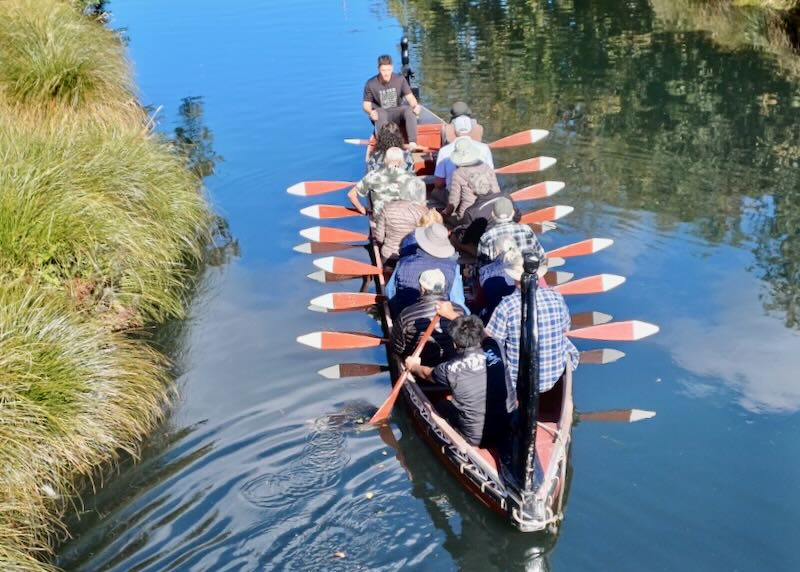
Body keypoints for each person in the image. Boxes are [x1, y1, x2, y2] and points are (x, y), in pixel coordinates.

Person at [404, 315, 511, 447]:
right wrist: (450, 313)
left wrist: (413, 366)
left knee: (442, 405)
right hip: (510, 426)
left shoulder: (449, 369)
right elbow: (486, 334)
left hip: (477, 438)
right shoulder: (496, 348)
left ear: (455, 344)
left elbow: (426, 374)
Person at [483, 251, 579, 393]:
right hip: (554, 377)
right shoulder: (556, 296)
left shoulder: (506, 305)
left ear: (513, 276)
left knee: (488, 346)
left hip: (517, 380)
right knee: (566, 342)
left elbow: (492, 341)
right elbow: (566, 327)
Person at [385, 223, 466, 316]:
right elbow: (458, 300)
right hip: (439, 317)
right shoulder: (453, 267)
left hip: (404, 317)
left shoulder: (404, 262)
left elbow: (389, 292)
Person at [390, 269, 466, 366]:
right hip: (450, 366)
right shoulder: (459, 311)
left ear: (423, 289)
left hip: (419, 367)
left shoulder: (406, 314)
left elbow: (397, 348)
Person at [362, 54, 421, 148]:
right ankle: (385, 146)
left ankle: (412, 143)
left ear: (392, 68)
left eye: (389, 70)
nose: (386, 73)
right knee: (380, 112)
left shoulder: (399, 79)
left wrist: (416, 106)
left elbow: (410, 98)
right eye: (383, 70)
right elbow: (366, 105)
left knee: (409, 110)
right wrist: (370, 112)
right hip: (381, 114)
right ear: (378, 69)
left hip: (396, 111)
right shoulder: (371, 83)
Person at [443, 137, 501, 220]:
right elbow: (496, 191)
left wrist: (446, 213)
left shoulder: (457, 173)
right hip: (489, 211)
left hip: (467, 214)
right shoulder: (486, 167)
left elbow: (454, 201)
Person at [476, 197, 544, 267]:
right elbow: (541, 256)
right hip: (526, 272)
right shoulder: (526, 229)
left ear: (493, 214)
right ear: (513, 213)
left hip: (500, 276)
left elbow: (481, 267)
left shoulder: (486, 237)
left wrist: (470, 272)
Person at [347, 147, 416, 216]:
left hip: (380, 220)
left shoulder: (373, 175)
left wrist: (363, 210)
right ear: (401, 161)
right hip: (402, 219)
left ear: (385, 160)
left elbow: (351, 195)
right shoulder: (408, 177)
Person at [374, 177, 428, 260]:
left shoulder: (387, 207)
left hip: (388, 255)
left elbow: (379, 237)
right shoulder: (423, 211)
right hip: (411, 256)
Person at [477, 237, 519, 322]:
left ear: (497, 251)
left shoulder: (487, 272)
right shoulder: (533, 276)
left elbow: (479, 301)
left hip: (495, 319)